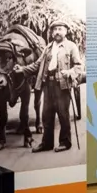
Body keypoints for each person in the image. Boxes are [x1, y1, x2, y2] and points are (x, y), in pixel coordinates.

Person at [15, 19, 83, 153]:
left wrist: (69, 72)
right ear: (51, 33)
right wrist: (22, 69)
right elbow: (37, 65)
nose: (57, 32)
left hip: (62, 86)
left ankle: (65, 142)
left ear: (66, 31)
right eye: (55, 29)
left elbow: (79, 66)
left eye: (60, 29)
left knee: (63, 115)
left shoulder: (71, 46)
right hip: (48, 85)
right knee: (46, 115)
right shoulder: (48, 48)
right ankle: (47, 143)